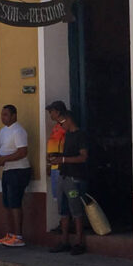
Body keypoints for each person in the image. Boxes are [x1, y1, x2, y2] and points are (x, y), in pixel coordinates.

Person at [47, 104, 88, 255]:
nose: (61, 125)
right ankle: (64, 241)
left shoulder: (80, 135)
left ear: (69, 120)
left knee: (76, 211)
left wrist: (63, 160)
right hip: (63, 177)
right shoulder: (67, 136)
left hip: (74, 178)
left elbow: (83, 157)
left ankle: (79, 242)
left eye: (63, 122)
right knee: (63, 211)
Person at [0, 104, 31, 247]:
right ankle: (10, 234)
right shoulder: (3, 131)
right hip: (7, 171)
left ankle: (18, 236)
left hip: (19, 170)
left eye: (6, 115)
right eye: (2, 114)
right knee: (7, 203)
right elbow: (0, 146)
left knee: (15, 203)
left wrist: (4, 159)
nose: (3, 117)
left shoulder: (19, 131)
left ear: (14, 115)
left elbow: (22, 152)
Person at [45, 101, 67, 234]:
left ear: (57, 112)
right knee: (57, 197)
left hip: (61, 166)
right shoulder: (56, 127)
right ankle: (62, 222)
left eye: (51, 112)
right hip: (54, 165)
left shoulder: (65, 127)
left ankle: (65, 223)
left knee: (63, 197)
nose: (50, 114)